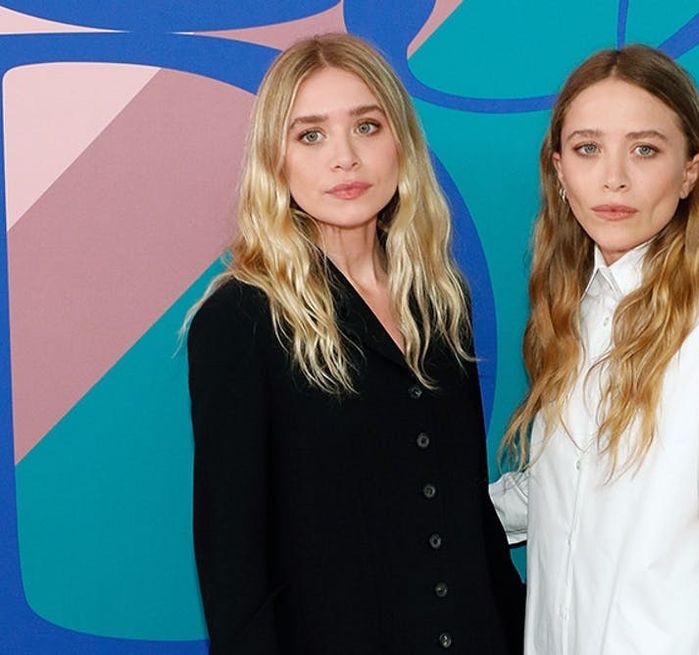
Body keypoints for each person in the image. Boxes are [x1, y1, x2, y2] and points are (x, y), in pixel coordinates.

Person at [187, 33, 524, 654]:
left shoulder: (439, 299)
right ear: (276, 160)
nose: (344, 158)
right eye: (310, 135)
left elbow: (467, 515)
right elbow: (233, 569)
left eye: (366, 127)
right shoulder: (240, 320)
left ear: (401, 142)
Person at [491, 44, 699, 654]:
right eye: (588, 148)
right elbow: (561, 484)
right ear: (558, 170)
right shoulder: (575, 306)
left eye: (645, 150)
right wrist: (427, 520)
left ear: (691, 171)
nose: (614, 178)